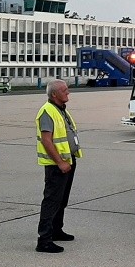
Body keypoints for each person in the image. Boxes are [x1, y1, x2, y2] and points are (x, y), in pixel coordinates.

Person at [35, 79, 82, 253]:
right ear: (54, 94)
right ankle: (44, 240)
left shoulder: (60, 110)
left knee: (61, 200)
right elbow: (47, 140)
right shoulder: (47, 111)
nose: (68, 93)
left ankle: (56, 230)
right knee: (52, 200)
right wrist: (60, 162)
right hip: (57, 164)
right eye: (64, 90)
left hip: (68, 161)